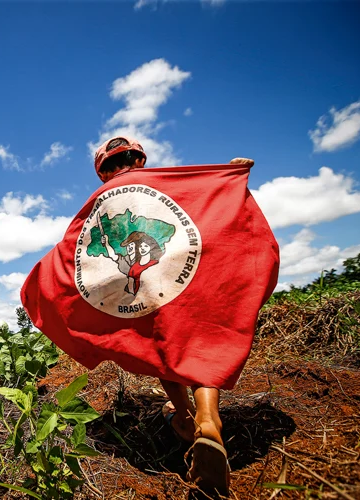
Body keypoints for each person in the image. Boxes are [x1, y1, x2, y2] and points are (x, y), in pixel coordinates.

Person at [95, 136, 256, 497]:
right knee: (197, 341)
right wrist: (228, 180)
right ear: (138, 160)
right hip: (183, 274)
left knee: (162, 346)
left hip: (144, 288)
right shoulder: (165, 185)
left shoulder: (103, 205)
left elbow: (82, 253)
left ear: (102, 172)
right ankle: (209, 419)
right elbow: (206, 209)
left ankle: (183, 417)